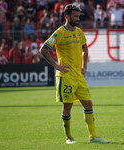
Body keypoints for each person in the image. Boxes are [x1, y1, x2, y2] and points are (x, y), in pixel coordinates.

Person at [39, 4, 109, 144]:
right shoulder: (59, 32)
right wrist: (56, 65)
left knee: (88, 104)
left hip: (79, 76)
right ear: (67, 16)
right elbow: (43, 49)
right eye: (75, 16)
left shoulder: (79, 32)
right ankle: (69, 138)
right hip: (66, 77)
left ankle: (93, 136)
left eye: (78, 16)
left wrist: (84, 66)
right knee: (67, 107)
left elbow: (85, 49)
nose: (78, 19)